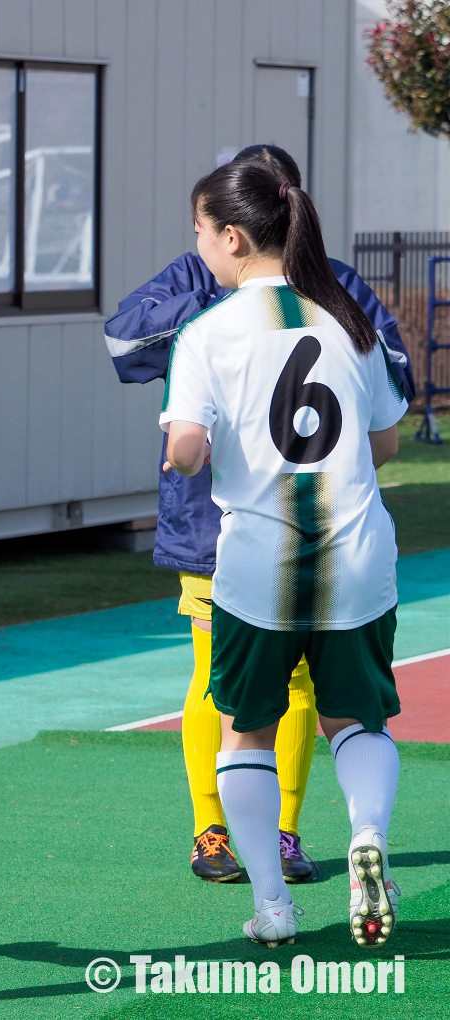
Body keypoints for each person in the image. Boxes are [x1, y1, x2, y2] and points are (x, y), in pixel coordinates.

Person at [104, 145, 413, 885]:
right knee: (324, 705)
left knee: (244, 705)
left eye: (204, 230)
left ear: (234, 232)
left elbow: (183, 441)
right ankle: (245, 830)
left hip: (247, 541)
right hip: (336, 545)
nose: (198, 245)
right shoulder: (327, 304)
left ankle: (274, 853)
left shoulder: (278, 303)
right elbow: (388, 435)